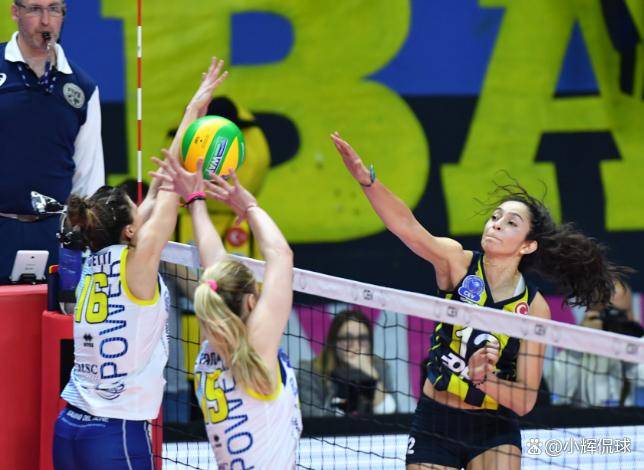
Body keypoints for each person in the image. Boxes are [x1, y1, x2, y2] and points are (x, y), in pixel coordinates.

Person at [331, 132, 624, 470]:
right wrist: (367, 182)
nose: (496, 224)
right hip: (436, 420)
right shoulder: (457, 263)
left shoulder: (535, 308)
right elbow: (406, 226)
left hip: (493, 428)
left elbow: (525, 401)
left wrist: (486, 380)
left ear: (527, 245)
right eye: (495, 217)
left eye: (510, 223)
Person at [52, 57, 228, 470]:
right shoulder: (138, 265)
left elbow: (157, 193)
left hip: (69, 426)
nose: (143, 208)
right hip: (114, 433)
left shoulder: (92, 258)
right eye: (137, 211)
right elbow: (168, 190)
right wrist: (193, 114)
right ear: (131, 230)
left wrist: (194, 112)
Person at [152, 153, 302, 468]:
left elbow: (215, 266)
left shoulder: (209, 350)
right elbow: (280, 255)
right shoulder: (257, 350)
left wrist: (196, 200)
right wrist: (250, 207)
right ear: (250, 302)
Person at [0, 0, 105, 283]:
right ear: (15, 12)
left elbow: (89, 180)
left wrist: (86, 248)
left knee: (53, 314)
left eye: (54, 9)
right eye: (35, 9)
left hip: (56, 238)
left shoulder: (83, 88)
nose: (46, 20)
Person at [549, 280, 643, 407]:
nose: (615, 319)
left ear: (631, 314)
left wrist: (631, 347)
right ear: (593, 312)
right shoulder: (577, 349)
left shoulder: (639, 343)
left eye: (621, 314)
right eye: (609, 312)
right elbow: (556, 393)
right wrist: (579, 341)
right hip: (587, 418)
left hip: (630, 418)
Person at [298, 309, 398, 417]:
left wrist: (372, 376)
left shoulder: (379, 368)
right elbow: (312, 418)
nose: (355, 345)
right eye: (347, 338)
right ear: (333, 342)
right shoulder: (310, 372)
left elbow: (393, 416)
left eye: (362, 338)